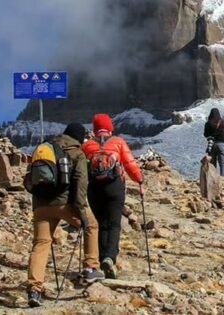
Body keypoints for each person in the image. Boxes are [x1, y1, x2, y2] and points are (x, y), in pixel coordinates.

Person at [26, 123, 102, 308]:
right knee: (92, 225)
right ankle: (91, 267)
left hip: (41, 206)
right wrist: (81, 212)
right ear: (79, 138)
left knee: (41, 243)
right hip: (64, 204)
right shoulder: (77, 153)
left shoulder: (46, 148)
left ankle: (35, 289)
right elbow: (80, 184)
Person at [82, 113, 143, 280]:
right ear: (110, 127)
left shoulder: (87, 146)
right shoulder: (118, 142)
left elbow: (80, 168)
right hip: (115, 187)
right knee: (114, 224)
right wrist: (139, 180)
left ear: (95, 128)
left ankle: (101, 259)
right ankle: (110, 258)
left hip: (94, 188)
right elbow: (130, 164)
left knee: (101, 224)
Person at [203, 107, 224, 177]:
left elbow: (205, 134)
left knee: (212, 163)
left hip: (212, 145)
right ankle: (223, 178)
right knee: (223, 163)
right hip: (221, 144)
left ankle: (213, 178)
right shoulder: (222, 122)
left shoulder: (208, 123)